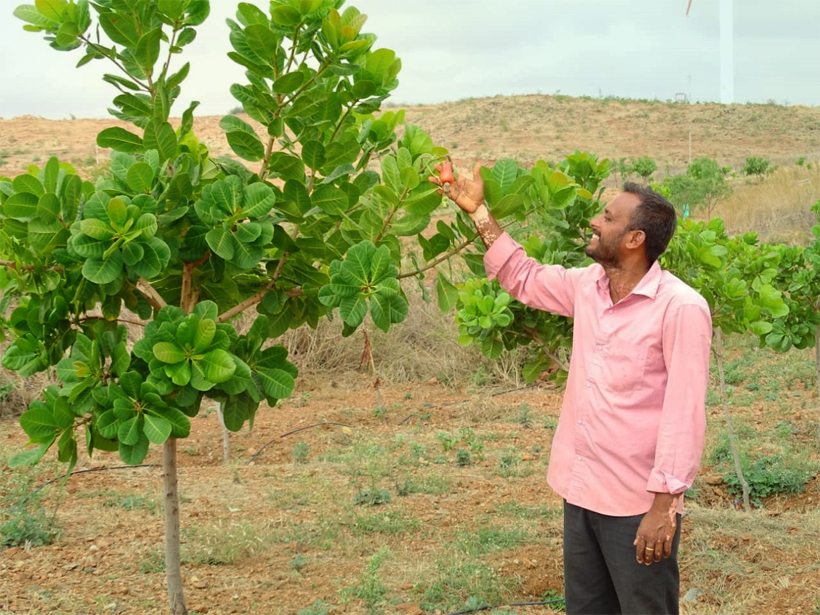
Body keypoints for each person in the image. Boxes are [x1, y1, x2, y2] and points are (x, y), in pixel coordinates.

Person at [429, 164, 712, 615]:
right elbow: (522, 275)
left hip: (636, 506)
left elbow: (684, 415)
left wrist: (664, 508)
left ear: (635, 240)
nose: (595, 222)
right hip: (580, 492)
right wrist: (479, 211)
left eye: (607, 217)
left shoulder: (680, 308)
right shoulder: (588, 286)